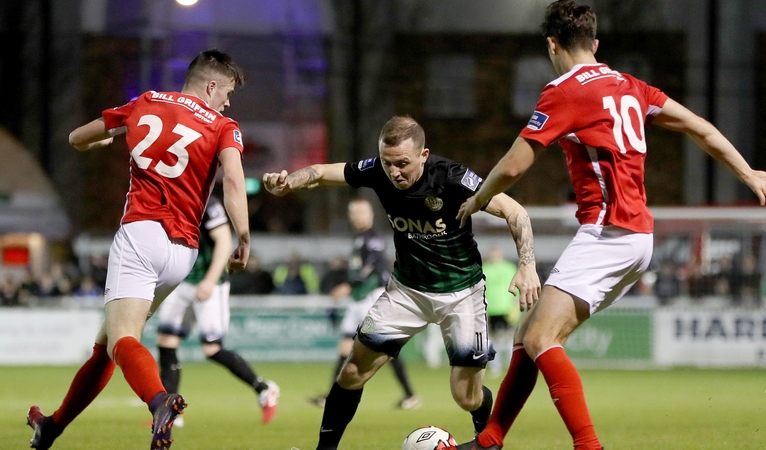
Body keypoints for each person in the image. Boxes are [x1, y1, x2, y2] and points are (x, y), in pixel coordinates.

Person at [453, 2, 766, 449]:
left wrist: (479, 198)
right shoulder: (632, 87)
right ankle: (490, 439)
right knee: (527, 335)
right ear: (595, 44)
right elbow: (699, 126)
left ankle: (587, 446)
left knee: (539, 336)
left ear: (552, 44)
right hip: (638, 236)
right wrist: (749, 173)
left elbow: (516, 165)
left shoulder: (563, 91)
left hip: (607, 231)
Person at [263, 115, 541, 450]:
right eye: (388, 163)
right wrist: (288, 181)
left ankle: (489, 441)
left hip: (462, 294)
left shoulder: (451, 177)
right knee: (352, 371)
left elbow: (515, 212)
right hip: (406, 292)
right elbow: (321, 173)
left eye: (403, 164)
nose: (395, 172)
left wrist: (527, 265)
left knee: (465, 396)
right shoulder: (378, 172)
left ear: (424, 155)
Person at [26, 49, 250, 450]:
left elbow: (77, 137)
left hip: (142, 234)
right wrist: (244, 237)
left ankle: (160, 400)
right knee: (107, 346)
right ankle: (52, 427)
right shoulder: (223, 125)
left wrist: (101, 142)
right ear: (211, 85)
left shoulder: (144, 102)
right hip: (183, 254)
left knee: (122, 339)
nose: (228, 102)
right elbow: (233, 180)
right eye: (228, 91)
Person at [156, 194, 279, 426]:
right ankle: (170, 413)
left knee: (212, 348)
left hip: (209, 283)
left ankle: (264, 389)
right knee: (166, 341)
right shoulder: (167, 198)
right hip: (183, 281)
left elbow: (223, 241)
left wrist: (210, 280)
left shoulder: (206, 203)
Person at [309, 198, 420, 410]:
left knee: (386, 347)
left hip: (371, 297)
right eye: (353, 212)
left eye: (360, 212)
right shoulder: (359, 238)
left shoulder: (372, 239)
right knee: (345, 346)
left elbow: (374, 266)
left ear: (371, 215)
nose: (356, 216)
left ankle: (410, 395)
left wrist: (349, 286)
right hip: (359, 298)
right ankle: (333, 395)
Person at [482, 247, 519, 377]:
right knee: (492, 339)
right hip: (490, 309)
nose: (494, 256)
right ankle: (495, 367)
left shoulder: (509, 268)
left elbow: (516, 287)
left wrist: (515, 305)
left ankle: (511, 366)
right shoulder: (484, 269)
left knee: (510, 338)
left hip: (506, 309)